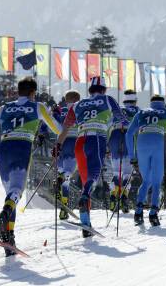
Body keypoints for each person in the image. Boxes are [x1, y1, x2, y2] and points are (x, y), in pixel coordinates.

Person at [0, 77, 61, 256]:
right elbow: (58, 128)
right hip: (22, 147)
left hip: (3, 150)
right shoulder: (38, 107)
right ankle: (5, 216)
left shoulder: (4, 108)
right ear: (32, 93)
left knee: (10, 194)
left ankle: (9, 236)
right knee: (16, 193)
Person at [54, 76, 127, 237]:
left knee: (86, 180)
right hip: (97, 139)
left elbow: (65, 129)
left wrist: (57, 146)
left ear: (89, 90)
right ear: (104, 90)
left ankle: (86, 224)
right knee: (92, 178)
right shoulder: (108, 99)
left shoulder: (77, 104)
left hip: (79, 142)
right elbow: (122, 120)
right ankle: (86, 195)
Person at [126, 94, 166, 226]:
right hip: (158, 144)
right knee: (156, 182)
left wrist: (132, 156)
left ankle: (138, 212)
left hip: (142, 144)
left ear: (151, 103)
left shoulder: (141, 113)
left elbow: (129, 134)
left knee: (146, 180)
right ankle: (153, 214)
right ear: (163, 103)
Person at [107, 89, 140, 213]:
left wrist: (106, 145)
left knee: (116, 172)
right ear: (135, 100)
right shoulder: (138, 110)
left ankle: (113, 196)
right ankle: (124, 199)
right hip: (129, 137)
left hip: (115, 135)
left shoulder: (117, 108)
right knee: (126, 173)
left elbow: (108, 124)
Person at [54, 90, 81, 220]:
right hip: (74, 142)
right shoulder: (80, 110)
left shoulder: (60, 110)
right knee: (68, 175)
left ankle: (59, 181)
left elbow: (51, 123)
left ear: (66, 100)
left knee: (62, 171)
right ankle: (64, 207)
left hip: (60, 143)